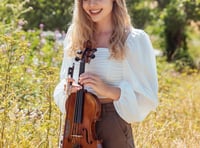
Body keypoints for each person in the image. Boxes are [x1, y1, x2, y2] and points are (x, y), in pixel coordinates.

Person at [53, 0, 158, 147]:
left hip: (112, 122)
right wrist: (68, 88)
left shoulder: (132, 39)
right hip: (77, 121)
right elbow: (65, 77)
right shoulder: (76, 34)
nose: (91, 4)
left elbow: (147, 96)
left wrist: (107, 89)